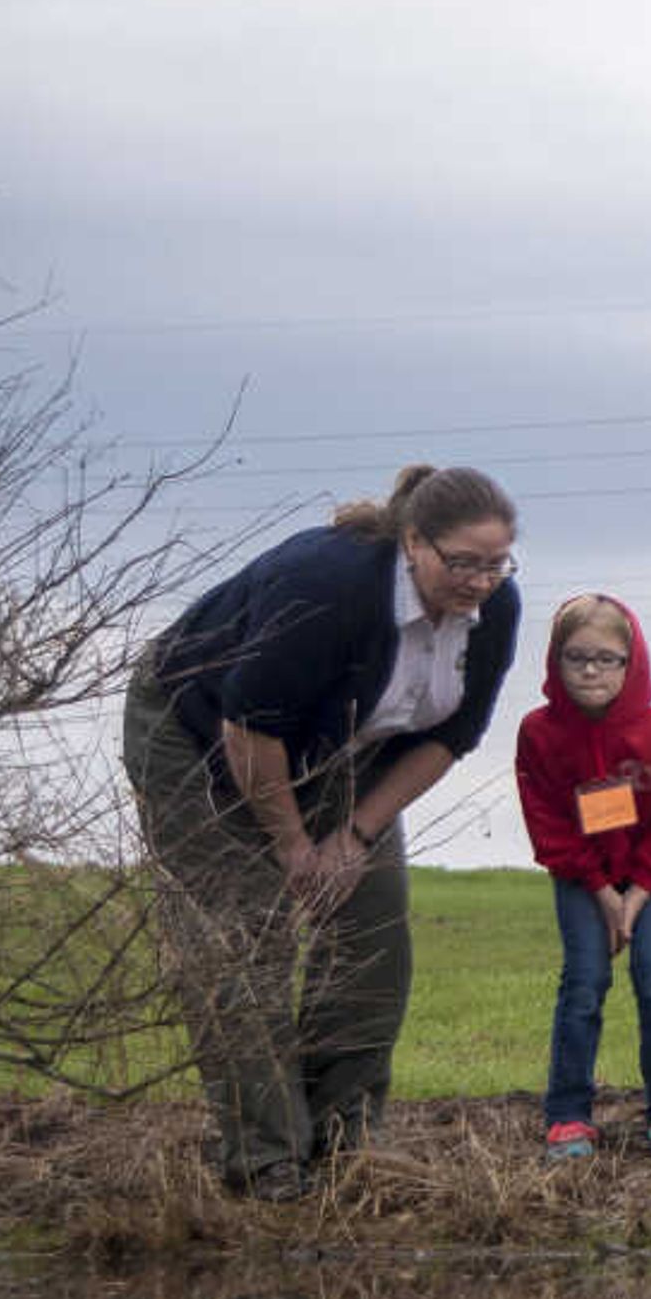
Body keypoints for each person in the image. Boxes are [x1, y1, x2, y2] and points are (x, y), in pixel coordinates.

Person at [125, 465, 523, 1200]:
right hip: (199, 738)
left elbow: (454, 734)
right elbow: (249, 724)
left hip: (340, 747)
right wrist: (292, 847)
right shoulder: (330, 586)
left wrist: (354, 839)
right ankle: (268, 1159)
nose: (478, 581)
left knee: (371, 930)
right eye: (461, 562)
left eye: (495, 563)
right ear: (413, 543)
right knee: (245, 939)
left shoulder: (493, 611)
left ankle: (348, 1140)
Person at [512, 595, 651, 1159]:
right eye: (576, 658)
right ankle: (568, 1115)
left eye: (607, 658)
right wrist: (600, 892)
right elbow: (547, 820)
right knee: (583, 982)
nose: (591, 670)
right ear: (555, 661)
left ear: (632, 661)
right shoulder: (539, 733)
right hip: (581, 876)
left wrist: (638, 894)